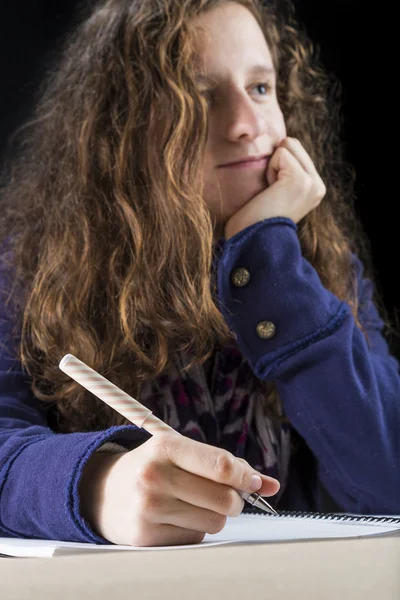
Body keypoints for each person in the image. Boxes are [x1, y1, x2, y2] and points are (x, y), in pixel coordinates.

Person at [0, 0, 399, 548]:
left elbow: (387, 479)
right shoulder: (27, 266)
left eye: (261, 88)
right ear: (124, 126)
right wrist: (96, 486)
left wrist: (265, 258)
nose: (246, 125)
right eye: (200, 97)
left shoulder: (319, 266)